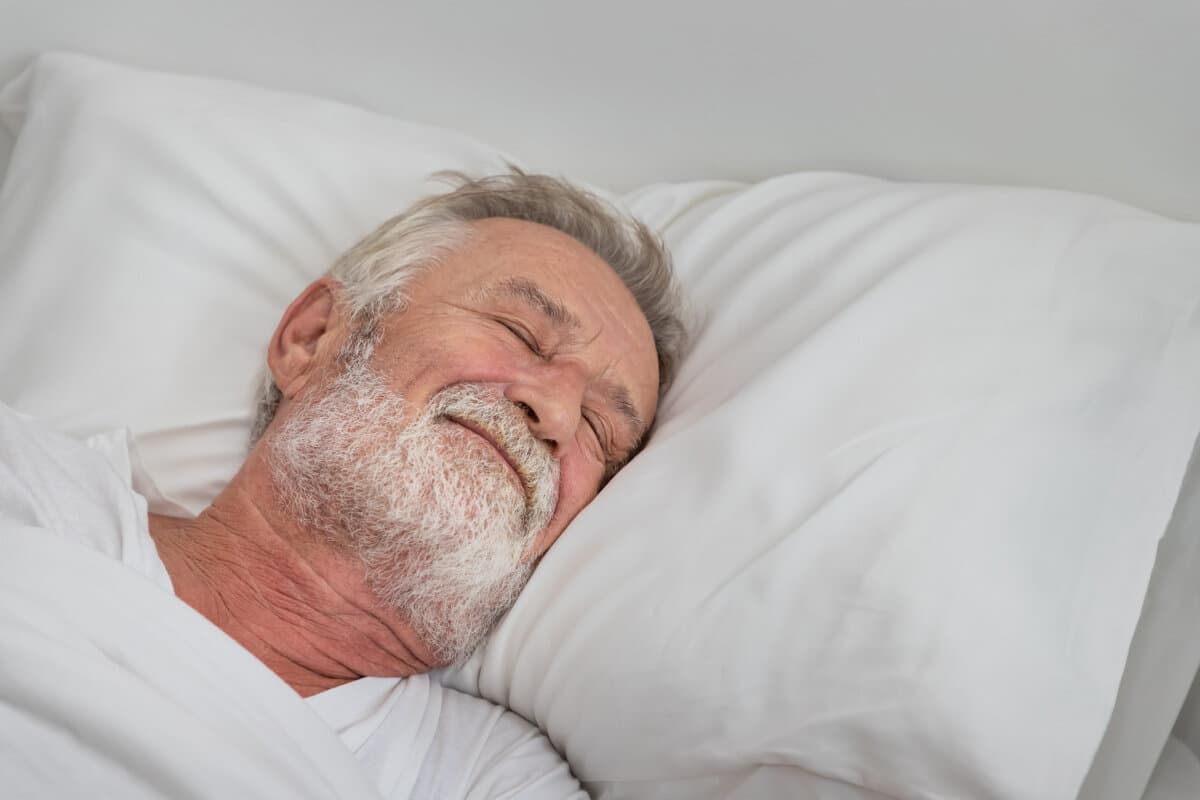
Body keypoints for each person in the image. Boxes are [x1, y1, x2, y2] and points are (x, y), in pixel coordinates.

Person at [0, 170, 687, 799]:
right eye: (520, 332)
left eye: (601, 429)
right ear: (313, 336)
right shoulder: (22, 479)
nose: (559, 415)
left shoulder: (485, 780)